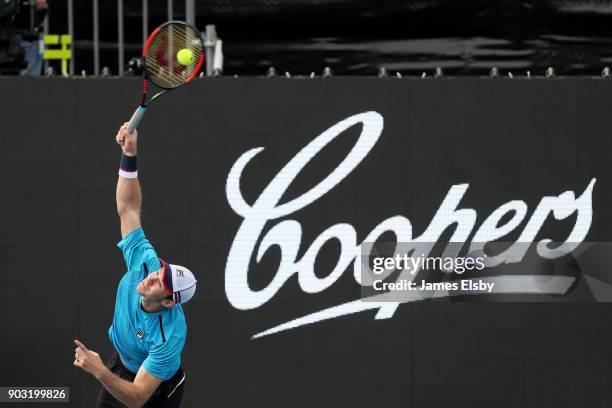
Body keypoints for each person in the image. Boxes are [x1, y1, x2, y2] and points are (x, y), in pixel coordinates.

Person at [73, 123, 197, 408]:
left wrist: (98, 370)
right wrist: (129, 154)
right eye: (159, 271)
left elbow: (139, 396)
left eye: (160, 282)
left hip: (156, 389)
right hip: (123, 362)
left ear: (168, 303)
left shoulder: (169, 335)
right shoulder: (145, 264)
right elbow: (128, 208)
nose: (153, 276)